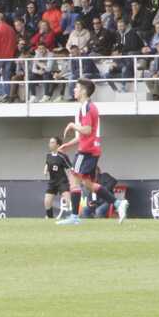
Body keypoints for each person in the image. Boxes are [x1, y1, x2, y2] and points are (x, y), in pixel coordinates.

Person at [55, 78, 102, 226]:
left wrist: (72, 125)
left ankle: (74, 217)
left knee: (74, 180)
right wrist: (68, 144)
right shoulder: (89, 106)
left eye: (76, 87)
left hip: (86, 150)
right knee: (88, 184)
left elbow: (86, 130)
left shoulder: (86, 107)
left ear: (83, 91)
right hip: (91, 149)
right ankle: (118, 203)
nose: (74, 90)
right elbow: (84, 133)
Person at [44, 136, 72, 220]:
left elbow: (69, 169)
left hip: (62, 181)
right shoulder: (48, 155)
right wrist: (45, 171)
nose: (50, 144)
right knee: (47, 201)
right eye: (50, 142)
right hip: (52, 182)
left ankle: (72, 216)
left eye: (52, 142)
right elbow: (47, 164)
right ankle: (50, 217)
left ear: (58, 145)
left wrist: (71, 180)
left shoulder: (62, 156)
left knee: (67, 199)